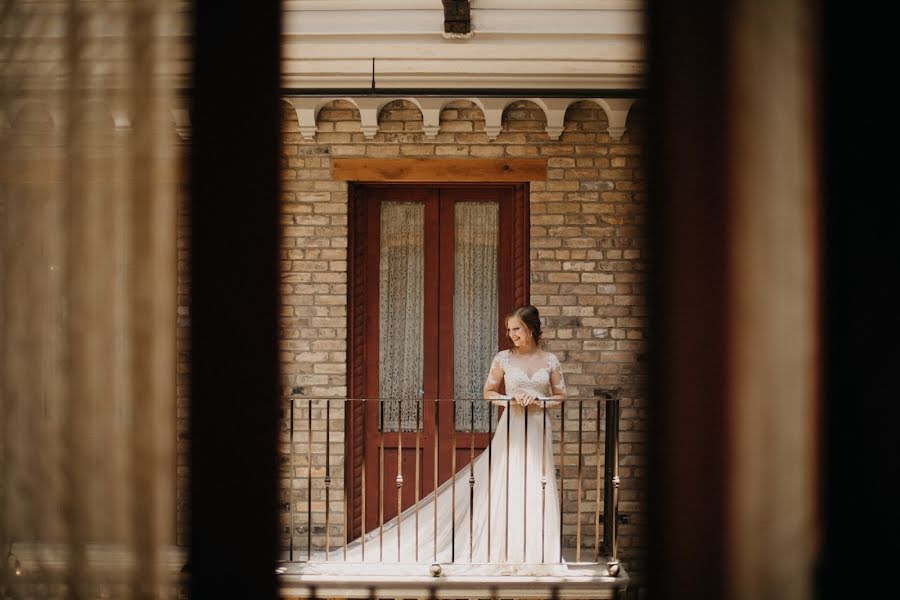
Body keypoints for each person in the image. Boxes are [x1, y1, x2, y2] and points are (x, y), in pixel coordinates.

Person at [302, 305, 569, 576]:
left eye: (517, 329)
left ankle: (538, 555)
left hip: (537, 428)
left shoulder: (550, 360)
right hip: (511, 427)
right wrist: (511, 399)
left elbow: (560, 396)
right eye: (509, 330)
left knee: (537, 484)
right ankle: (503, 554)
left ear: (531, 329)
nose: (512, 334)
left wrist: (540, 400)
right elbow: (488, 393)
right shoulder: (503, 358)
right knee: (508, 485)